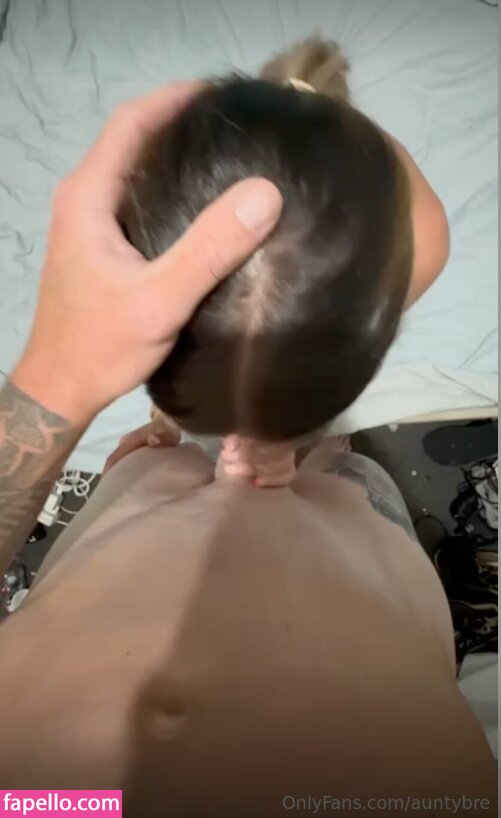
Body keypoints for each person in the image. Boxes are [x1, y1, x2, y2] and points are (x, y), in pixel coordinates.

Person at [0, 83, 495, 818]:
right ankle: (299, 448)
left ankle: (194, 447)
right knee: (346, 474)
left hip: (67, 795)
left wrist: (60, 379)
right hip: (385, 757)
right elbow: (420, 239)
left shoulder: (39, 791)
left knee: (151, 463)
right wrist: (341, 133)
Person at [114, 38, 450, 485]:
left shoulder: (422, 240)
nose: (235, 442)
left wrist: (286, 439)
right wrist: (167, 418)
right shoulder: (131, 249)